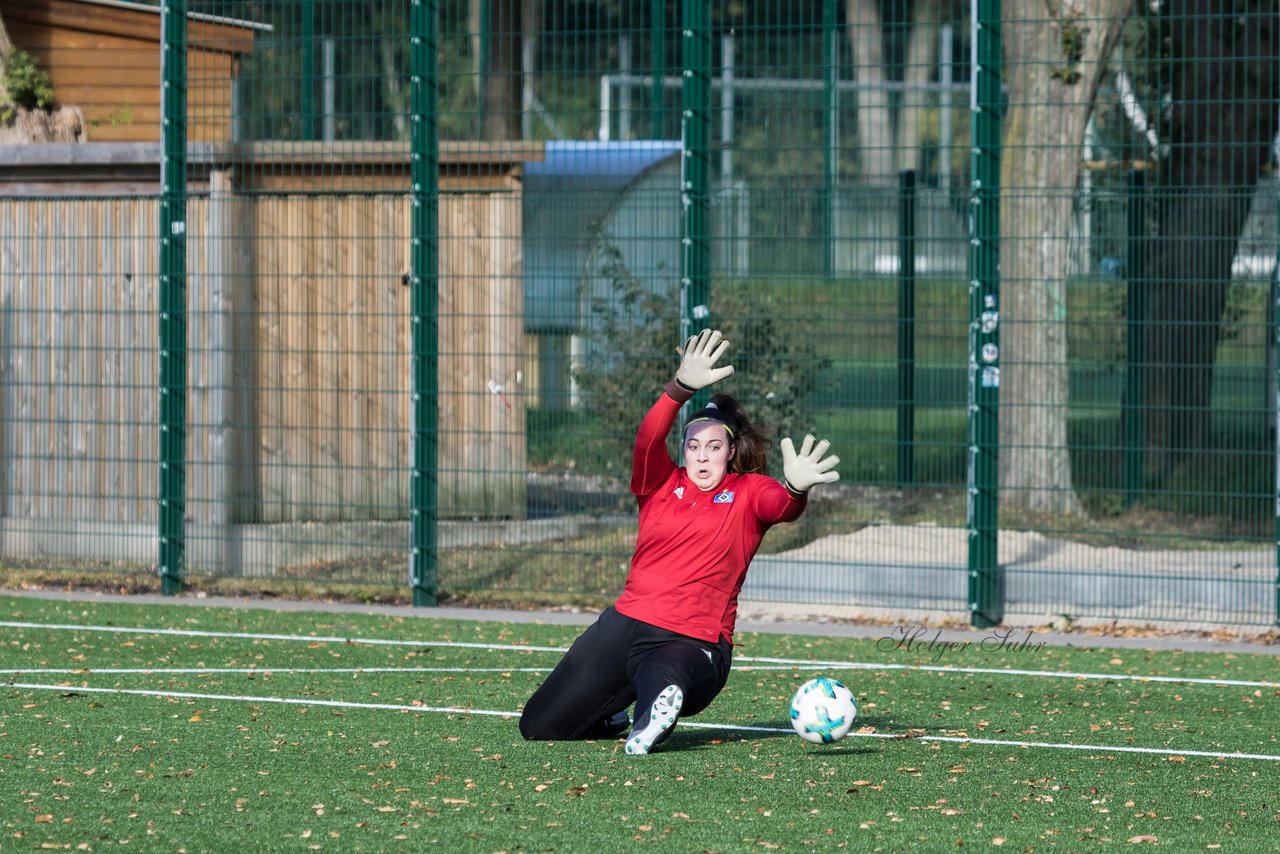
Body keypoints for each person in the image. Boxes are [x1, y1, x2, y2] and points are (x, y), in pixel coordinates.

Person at [518, 328, 840, 755]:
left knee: (661, 671)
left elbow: (781, 506)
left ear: (730, 452)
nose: (702, 456)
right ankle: (615, 715)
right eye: (693, 446)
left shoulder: (748, 492)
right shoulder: (658, 484)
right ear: (684, 450)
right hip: (626, 623)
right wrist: (679, 388)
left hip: (693, 641)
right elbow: (648, 438)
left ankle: (650, 718)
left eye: (713, 446)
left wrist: (796, 489)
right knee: (538, 724)